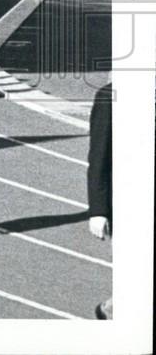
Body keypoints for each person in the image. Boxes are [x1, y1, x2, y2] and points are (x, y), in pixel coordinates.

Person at [87, 82, 113, 320]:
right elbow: (98, 156)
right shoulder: (109, 96)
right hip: (125, 205)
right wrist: (98, 210)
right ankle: (110, 310)